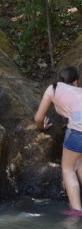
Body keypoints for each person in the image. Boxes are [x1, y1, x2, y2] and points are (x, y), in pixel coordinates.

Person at [34, 66, 82, 215]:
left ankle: (76, 211)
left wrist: (42, 127)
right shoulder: (79, 91)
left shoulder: (53, 88)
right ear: (75, 82)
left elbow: (38, 118)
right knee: (80, 165)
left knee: (68, 169)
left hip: (77, 131)